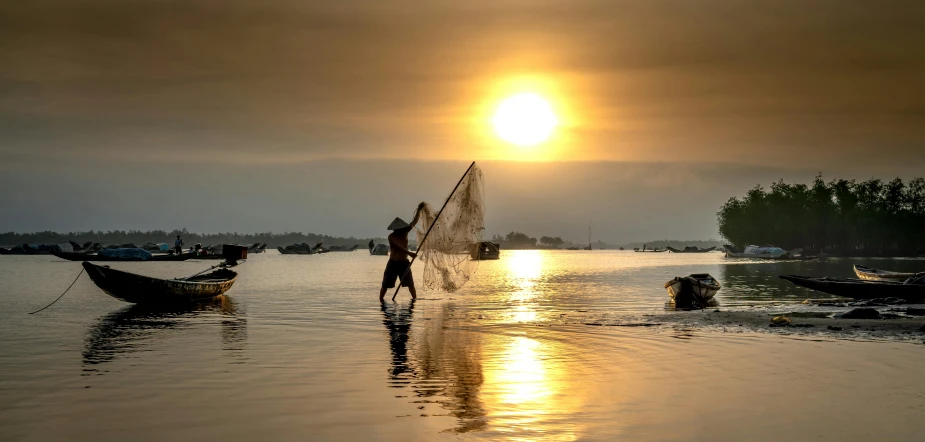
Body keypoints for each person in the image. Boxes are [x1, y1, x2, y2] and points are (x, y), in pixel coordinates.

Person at [380, 203, 425, 301]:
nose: (400, 230)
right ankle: (381, 301)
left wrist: (419, 210)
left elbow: (414, 221)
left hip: (404, 263)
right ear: (395, 229)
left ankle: (414, 300)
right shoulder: (391, 236)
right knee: (385, 284)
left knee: (410, 284)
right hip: (393, 263)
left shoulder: (405, 232)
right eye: (398, 229)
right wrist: (410, 253)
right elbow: (398, 247)